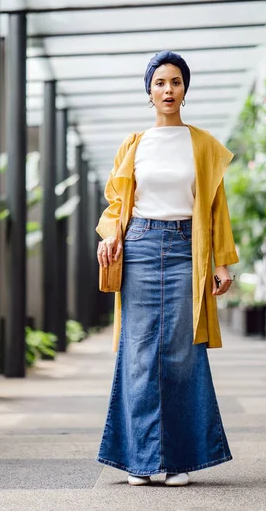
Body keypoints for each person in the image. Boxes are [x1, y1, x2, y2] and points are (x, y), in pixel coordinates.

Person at [95, 50, 239, 486]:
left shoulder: (203, 144)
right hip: (138, 246)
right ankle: (139, 461)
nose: (168, 90)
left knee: (180, 354)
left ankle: (177, 461)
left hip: (184, 251)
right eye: (160, 82)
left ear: (185, 89)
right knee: (138, 354)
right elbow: (119, 202)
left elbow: (215, 209)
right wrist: (110, 235)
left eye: (175, 82)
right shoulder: (134, 143)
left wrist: (222, 262)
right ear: (149, 91)